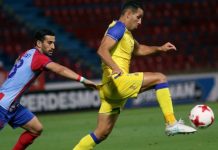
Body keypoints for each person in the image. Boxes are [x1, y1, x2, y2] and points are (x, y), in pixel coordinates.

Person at [73, 1, 196, 150]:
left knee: (101, 133)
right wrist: (115, 68)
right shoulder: (118, 27)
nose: (140, 22)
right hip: (117, 82)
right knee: (160, 78)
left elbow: (139, 49)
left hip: (109, 89)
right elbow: (102, 50)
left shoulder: (126, 34)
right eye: (138, 17)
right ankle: (171, 123)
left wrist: (160, 48)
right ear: (128, 14)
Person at [0, 29, 97, 150]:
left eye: (53, 43)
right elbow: (60, 69)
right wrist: (83, 80)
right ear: (39, 43)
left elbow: (17, 62)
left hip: (12, 104)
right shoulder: (39, 58)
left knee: (36, 129)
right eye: (49, 43)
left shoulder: (26, 53)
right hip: (3, 105)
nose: (53, 46)